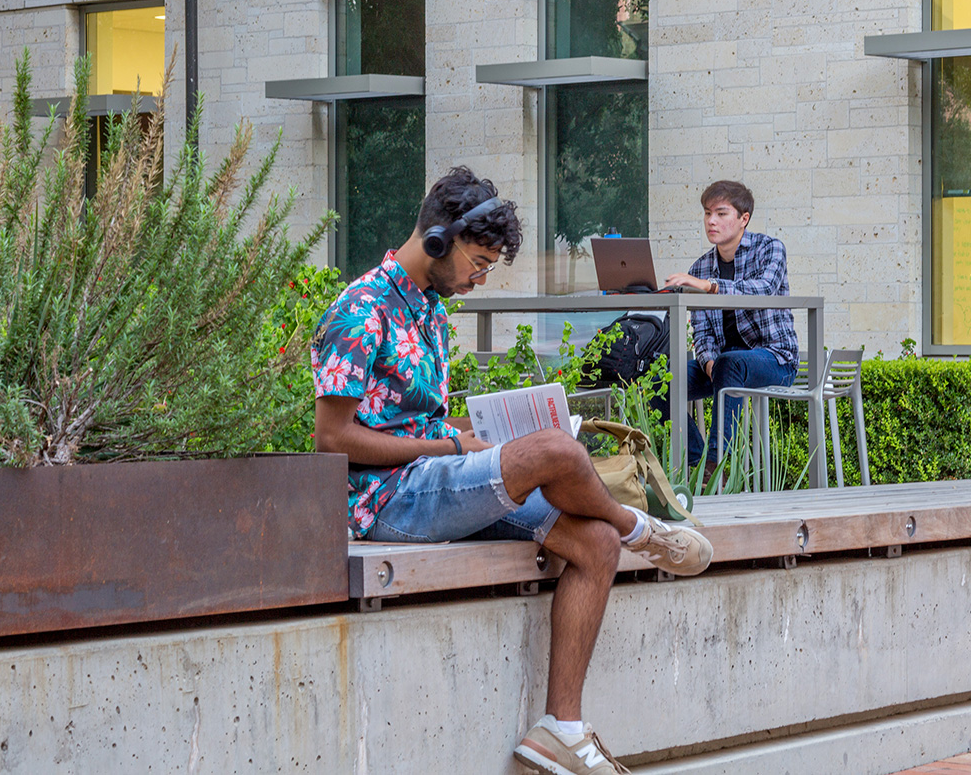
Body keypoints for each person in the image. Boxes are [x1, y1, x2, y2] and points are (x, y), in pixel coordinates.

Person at [312, 166, 713, 775]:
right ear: (439, 241)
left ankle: (560, 732)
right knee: (554, 451)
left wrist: (465, 441)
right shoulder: (360, 309)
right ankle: (641, 528)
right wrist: (451, 452)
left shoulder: (429, 308)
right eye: (478, 261)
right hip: (387, 502)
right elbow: (331, 438)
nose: (479, 277)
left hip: (438, 479)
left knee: (595, 542)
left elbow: (412, 420)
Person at [660, 180, 799, 468]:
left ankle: (717, 466)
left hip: (775, 359)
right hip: (723, 364)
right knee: (659, 381)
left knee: (730, 363)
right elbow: (702, 330)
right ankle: (698, 464)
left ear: (743, 219)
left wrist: (709, 287)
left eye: (721, 213)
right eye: (707, 213)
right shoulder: (699, 268)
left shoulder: (770, 249)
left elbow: (762, 289)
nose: (711, 221)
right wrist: (708, 362)